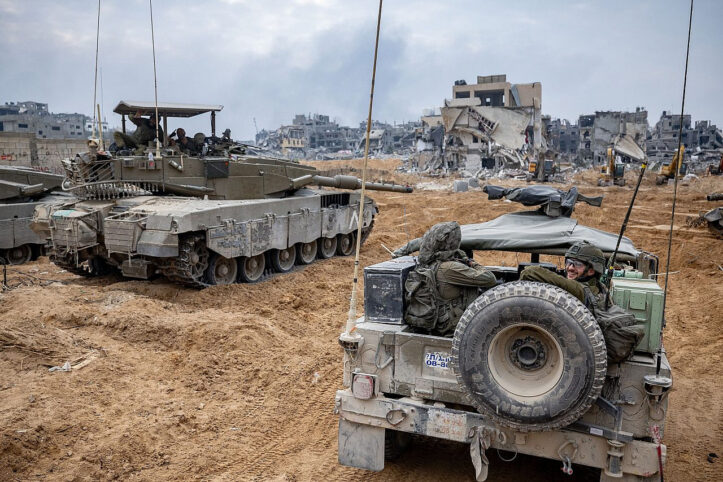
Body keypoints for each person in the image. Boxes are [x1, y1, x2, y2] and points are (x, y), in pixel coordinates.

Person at [405, 221, 497, 336]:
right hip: (452, 326)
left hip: (441, 321)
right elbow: (490, 278)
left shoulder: (430, 263)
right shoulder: (450, 268)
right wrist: (469, 261)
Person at [520, 240, 608, 311]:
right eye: (569, 262)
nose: (570, 268)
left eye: (577, 264)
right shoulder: (600, 287)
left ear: (591, 271)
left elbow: (529, 272)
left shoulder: (580, 290)